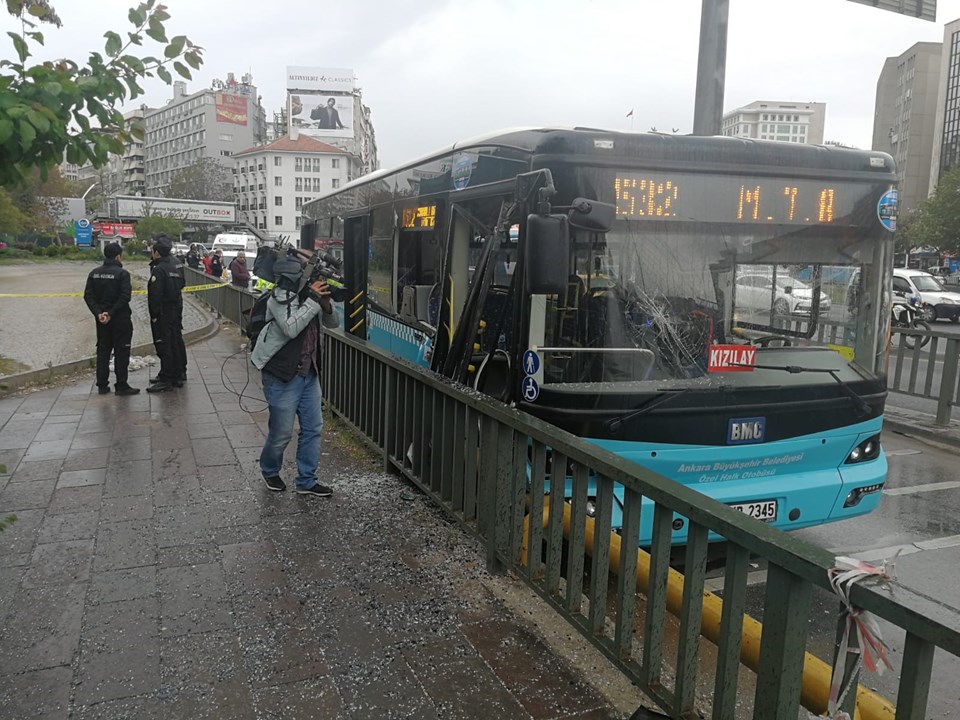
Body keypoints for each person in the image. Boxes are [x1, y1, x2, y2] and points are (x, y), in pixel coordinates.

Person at [251, 252, 339, 497]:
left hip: (309, 373)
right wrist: (312, 299)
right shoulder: (279, 297)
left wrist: (326, 305)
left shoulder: (310, 296)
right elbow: (291, 328)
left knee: (313, 428)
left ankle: (307, 480)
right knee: (281, 433)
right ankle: (269, 470)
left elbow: (333, 324)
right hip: (281, 374)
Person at [83, 242, 140, 396]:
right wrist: (111, 313)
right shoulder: (122, 274)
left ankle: (102, 384)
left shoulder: (94, 273)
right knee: (121, 351)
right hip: (120, 319)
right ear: (118, 256)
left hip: (101, 320)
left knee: (103, 350)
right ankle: (121, 385)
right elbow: (125, 297)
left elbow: (88, 296)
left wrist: (99, 313)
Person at [146, 235, 186, 393]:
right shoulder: (173, 268)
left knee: (164, 345)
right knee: (175, 343)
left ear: (157, 253)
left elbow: (155, 295)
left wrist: (154, 315)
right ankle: (176, 375)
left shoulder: (159, 270)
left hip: (163, 313)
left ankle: (166, 378)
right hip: (175, 311)